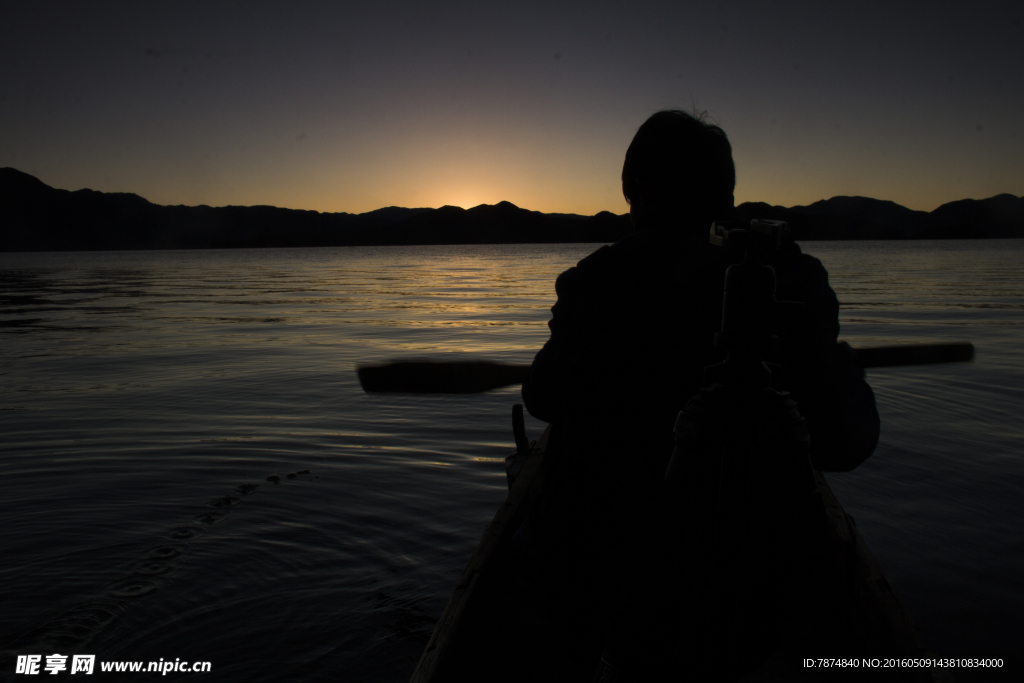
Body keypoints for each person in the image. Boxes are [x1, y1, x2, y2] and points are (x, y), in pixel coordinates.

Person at [515, 109, 880, 678]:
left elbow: (542, 397)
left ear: (632, 192)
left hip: (604, 572)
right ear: (726, 194)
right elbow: (848, 442)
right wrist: (828, 349)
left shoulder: (596, 282)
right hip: (754, 588)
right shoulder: (785, 281)